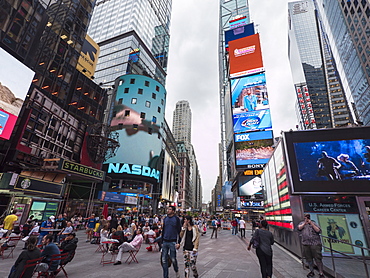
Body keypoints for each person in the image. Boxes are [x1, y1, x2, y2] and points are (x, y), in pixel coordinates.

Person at [298, 213, 325, 278]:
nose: (306, 218)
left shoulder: (314, 223)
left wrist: (311, 223)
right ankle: (311, 271)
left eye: (307, 217)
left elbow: (318, 230)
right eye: (305, 217)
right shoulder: (302, 223)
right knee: (309, 259)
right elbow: (299, 228)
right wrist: (305, 223)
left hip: (315, 244)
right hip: (306, 244)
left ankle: (321, 272)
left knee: (318, 258)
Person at [161, 206, 181, 278]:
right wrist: (162, 241)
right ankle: (165, 276)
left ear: (173, 211)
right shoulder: (165, 219)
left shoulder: (176, 219)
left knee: (173, 259)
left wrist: (179, 242)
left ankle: (176, 270)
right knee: (164, 260)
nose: (168, 210)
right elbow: (163, 230)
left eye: (169, 209)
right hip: (165, 241)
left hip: (173, 241)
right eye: (168, 209)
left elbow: (179, 231)